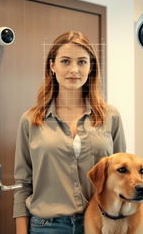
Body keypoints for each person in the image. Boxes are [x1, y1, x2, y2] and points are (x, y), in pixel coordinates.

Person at [13, 31, 126, 234]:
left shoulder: (111, 116)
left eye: (82, 62)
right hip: (47, 227)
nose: (74, 69)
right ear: (52, 66)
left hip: (102, 223)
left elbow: (122, 176)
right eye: (65, 61)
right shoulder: (30, 120)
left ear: (91, 67)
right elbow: (23, 184)